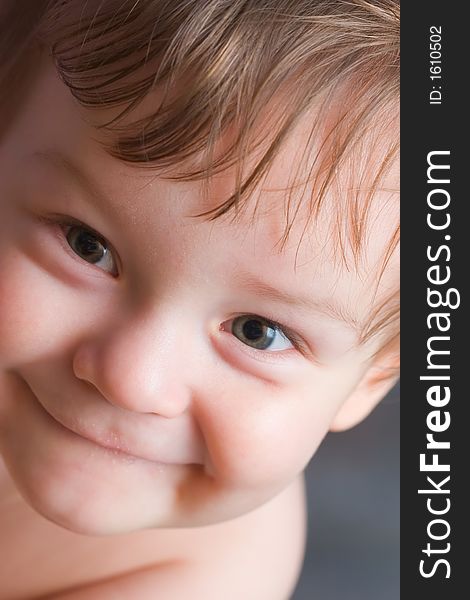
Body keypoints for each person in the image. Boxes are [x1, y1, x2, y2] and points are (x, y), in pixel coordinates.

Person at [0, 1, 399, 598]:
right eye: (88, 247)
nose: (132, 379)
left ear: (373, 376)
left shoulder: (205, 579)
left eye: (256, 331)